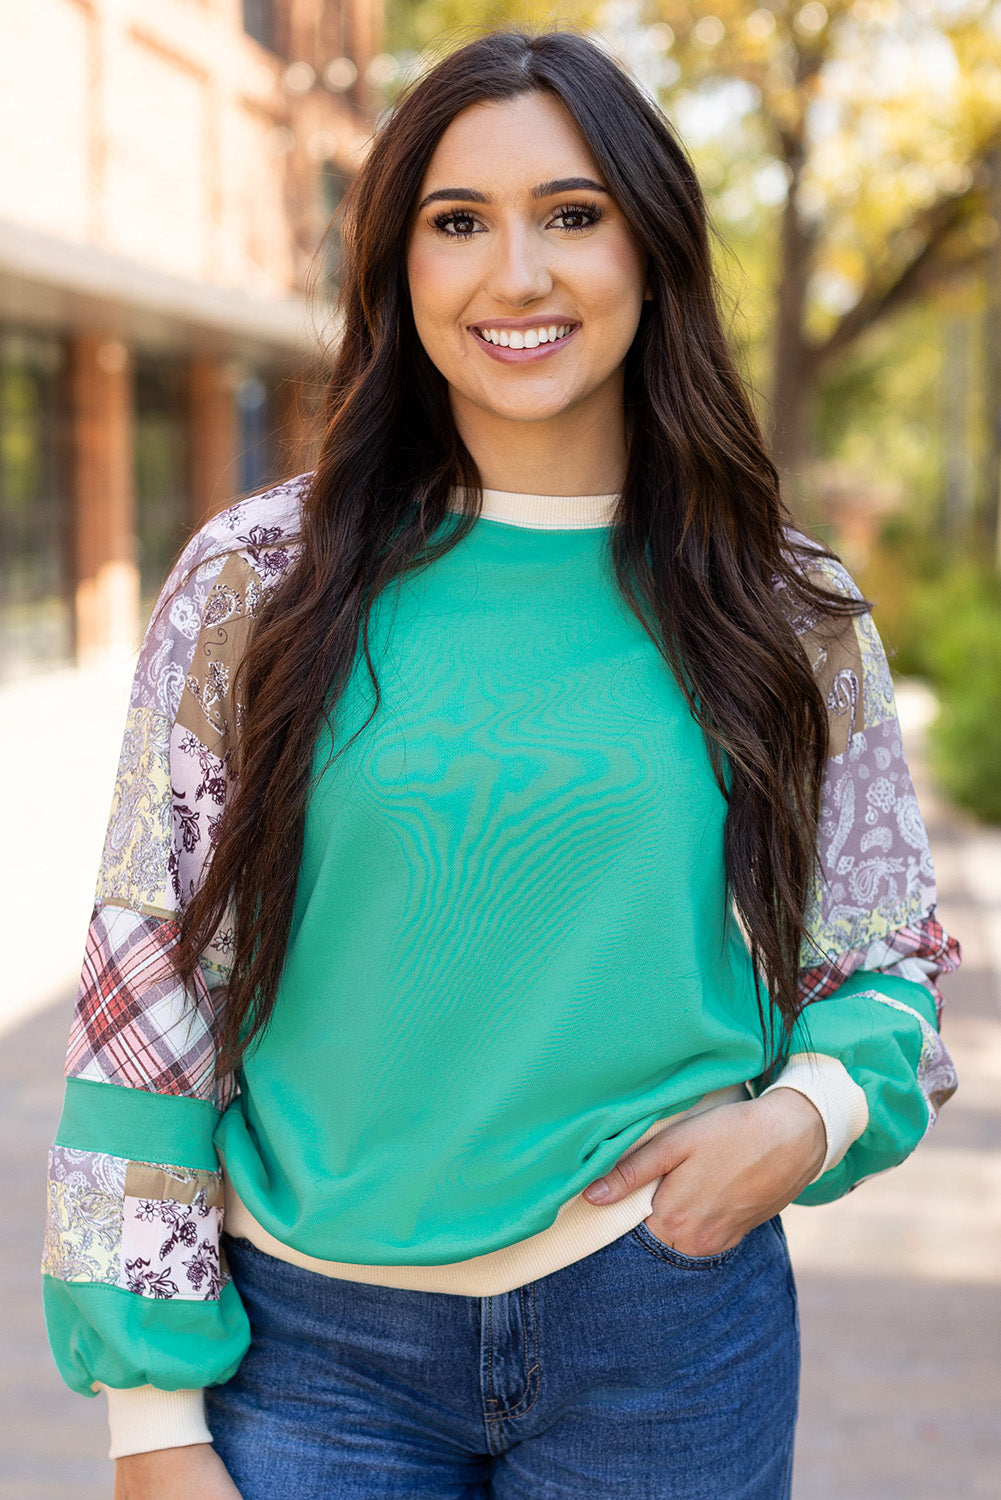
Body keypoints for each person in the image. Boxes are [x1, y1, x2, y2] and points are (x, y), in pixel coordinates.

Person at [42, 29, 960, 1500]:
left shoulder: (778, 603)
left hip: (661, 1326)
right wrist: (146, 1409)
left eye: (572, 215)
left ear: (651, 255)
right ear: (397, 272)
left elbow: (880, 956)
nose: (513, 275)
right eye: (455, 222)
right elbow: (150, 977)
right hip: (309, 1350)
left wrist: (805, 1121)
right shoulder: (254, 582)